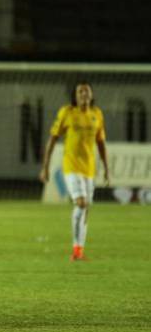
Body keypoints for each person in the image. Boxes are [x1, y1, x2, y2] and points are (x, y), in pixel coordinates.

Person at [39, 81, 109, 261]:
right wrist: (45, 167)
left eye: (87, 92)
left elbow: (101, 143)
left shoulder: (97, 114)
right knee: (81, 203)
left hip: (89, 169)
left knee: (86, 209)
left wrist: (107, 168)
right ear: (75, 96)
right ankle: (76, 251)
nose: (84, 95)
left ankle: (78, 251)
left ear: (92, 95)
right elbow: (53, 139)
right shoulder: (67, 113)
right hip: (71, 167)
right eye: (80, 92)